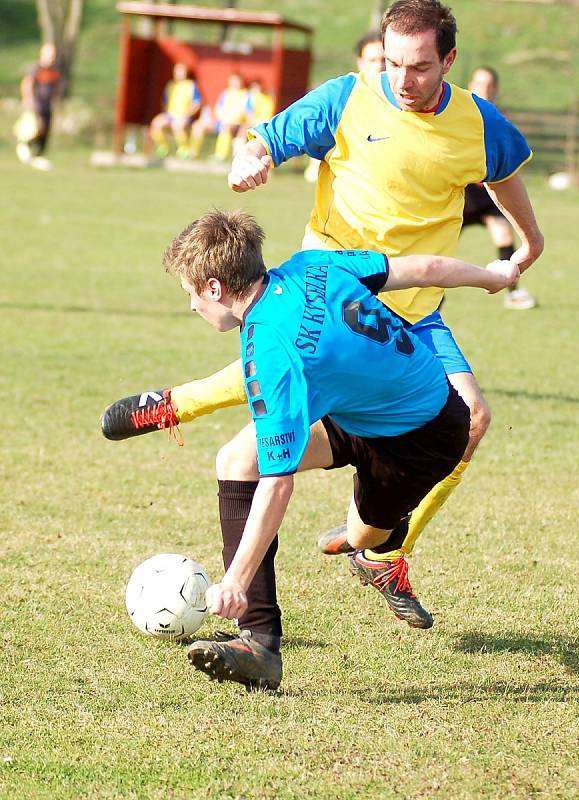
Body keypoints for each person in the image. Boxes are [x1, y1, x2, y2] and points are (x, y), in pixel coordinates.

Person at [102, 0, 544, 684]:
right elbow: (266, 136)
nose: (401, 79)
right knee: (285, 380)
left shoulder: (479, 123)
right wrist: (249, 161)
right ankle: (176, 408)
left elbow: (503, 174)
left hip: (412, 304)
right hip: (334, 280)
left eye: (419, 66)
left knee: (459, 417)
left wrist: (528, 242)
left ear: (448, 61)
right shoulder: (347, 102)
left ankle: (378, 553)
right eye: (392, 63)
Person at [157, 208, 519, 689]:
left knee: (365, 538)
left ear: (216, 288)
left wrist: (236, 581)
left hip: (421, 441)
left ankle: (372, 546)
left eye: (191, 294)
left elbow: (277, 486)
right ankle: (259, 643)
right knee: (235, 458)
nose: (192, 307)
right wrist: (490, 277)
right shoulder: (313, 265)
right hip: (369, 409)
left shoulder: (269, 352)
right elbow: (423, 270)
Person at [463, 66, 538, 310]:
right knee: (438, 241)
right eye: (479, 83)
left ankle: (512, 293)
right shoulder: (457, 111)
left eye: (488, 85)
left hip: (490, 192)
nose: (483, 89)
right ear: (471, 84)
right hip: (463, 192)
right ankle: (424, 292)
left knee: (504, 234)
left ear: (495, 89)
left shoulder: (498, 119)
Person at [305, 31, 385, 183]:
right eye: (372, 60)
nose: (379, 66)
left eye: (384, 60)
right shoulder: (342, 98)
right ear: (360, 62)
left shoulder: (406, 102)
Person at [15, 42, 61, 171]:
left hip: (47, 106)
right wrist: (28, 100)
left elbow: (56, 88)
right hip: (36, 105)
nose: (51, 58)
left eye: (53, 55)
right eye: (49, 55)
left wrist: (56, 102)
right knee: (34, 129)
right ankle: (24, 147)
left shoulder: (54, 71)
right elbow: (27, 84)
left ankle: (38, 156)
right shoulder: (36, 69)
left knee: (45, 130)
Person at [190, 73, 249, 162]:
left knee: (226, 128)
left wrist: (233, 119)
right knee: (198, 126)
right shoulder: (226, 93)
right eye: (233, 81)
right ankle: (193, 153)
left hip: (236, 124)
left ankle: (220, 155)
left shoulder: (246, 95)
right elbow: (218, 109)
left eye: (237, 81)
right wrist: (221, 118)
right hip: (221, 121)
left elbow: (246, 112)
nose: (235, 83)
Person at [150, 63, 201, 160]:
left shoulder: (191, 85)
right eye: (177, 71)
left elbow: (197, 103)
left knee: (178, 125)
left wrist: (187, 115)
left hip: (184, 115)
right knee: (156, 123)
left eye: (181, 71)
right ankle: (163, 147)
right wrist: (166, 114)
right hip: (170, 115)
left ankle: (184, 149)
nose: (179, 73)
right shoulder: (170, 85)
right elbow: (164, 102)